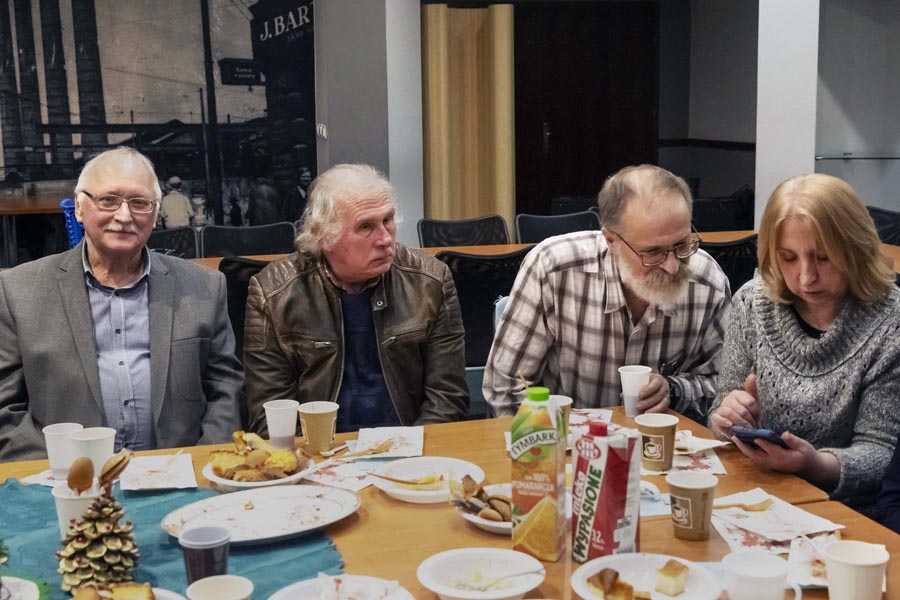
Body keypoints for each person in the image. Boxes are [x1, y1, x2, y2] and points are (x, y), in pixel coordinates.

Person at [0, 147, 244, 460]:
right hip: (62, 479)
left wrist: (202, 465)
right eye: (108, 200)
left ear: (155, 214)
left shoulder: (204, 289)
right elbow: (5, 410)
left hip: (178, 473)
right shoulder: (19, 292)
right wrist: (60, 475)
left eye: (139, 203)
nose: (124, 216)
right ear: (79, 207)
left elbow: (225, 389)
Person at [709, 173, 900, 514]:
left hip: (843, 510)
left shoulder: (890, 322)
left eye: (823, 258)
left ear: (856, 248)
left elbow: (881, 454)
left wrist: (813, 464)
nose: (806, 277)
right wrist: (727, 419)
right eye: (788, 257)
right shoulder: (753, 302)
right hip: (753, 494)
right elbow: (721, 412)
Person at [483, 164, 730, 420]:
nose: (672, 266)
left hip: (662, 441)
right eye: (653, 252)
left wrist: (674, 390)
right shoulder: (554, 269)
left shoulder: (707, 282)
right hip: (564, 437)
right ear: (611, 241)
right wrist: (550, 438)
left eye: (682, 245)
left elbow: (724, 387)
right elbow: (506, 386)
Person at [243, 163, 469, 434]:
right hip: (317, 450)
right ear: (323, 235)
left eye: (387, 220)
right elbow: (271, 415)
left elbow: (448, 399)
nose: (385, 239)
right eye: (366, 227)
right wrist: (317, 456)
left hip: (410, 444)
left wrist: (409, 449)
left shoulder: (430, 280)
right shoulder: (273, 292)